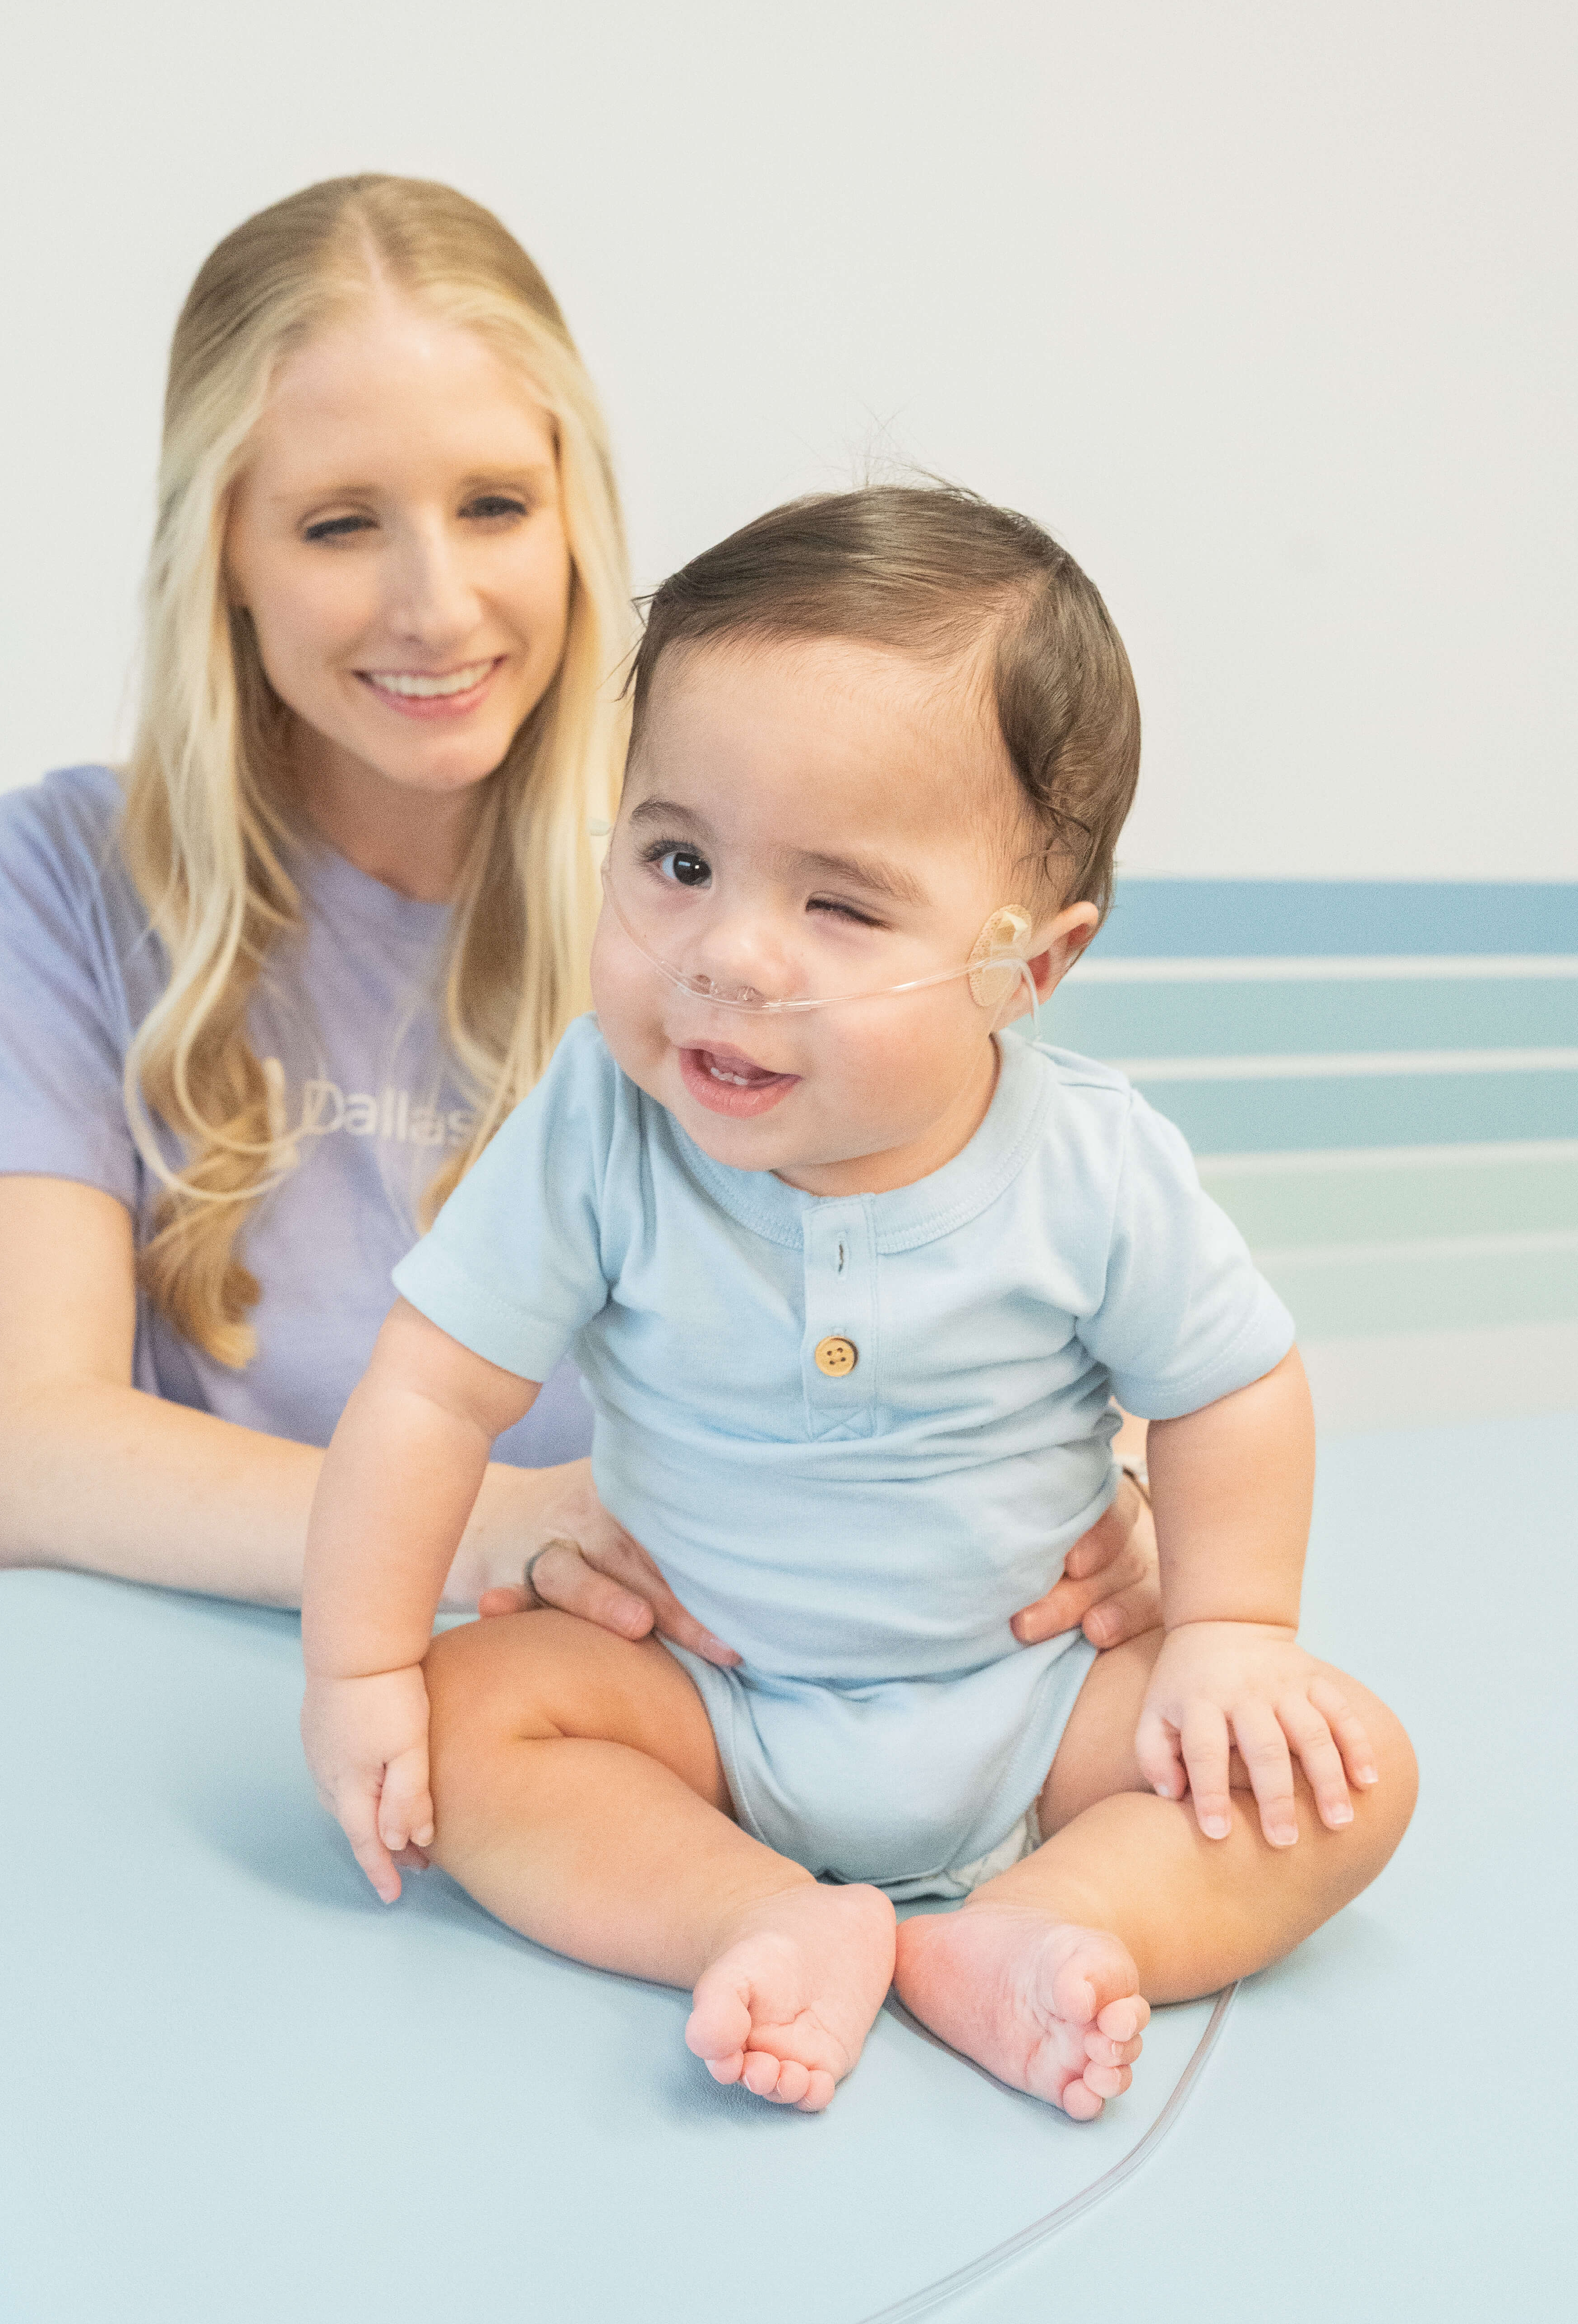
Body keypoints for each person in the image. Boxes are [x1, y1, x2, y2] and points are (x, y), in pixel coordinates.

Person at [0, 177, 1158, 1649]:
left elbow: (982, 1283)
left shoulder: (699, 897)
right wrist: (481, 1519)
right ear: (223, 549)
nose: (435, 605)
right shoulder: (56, 879)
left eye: (493, 506)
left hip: (658, 1713)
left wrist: (1107, 1493)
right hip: (216, 1697)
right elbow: (36, 1462)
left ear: (572, 514)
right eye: (338, 524)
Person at [300, 481, 1419, 2119]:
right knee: (469, 1731)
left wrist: (1233, 1635)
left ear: (1025, 969)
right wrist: (358, 1670)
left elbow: (1233, 1383)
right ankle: (750, 1912)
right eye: (676, 858)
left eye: (835, 902)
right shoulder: (601, 1127)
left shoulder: (1090, 1164)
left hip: (1031, 1707)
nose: (727, 955)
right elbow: (426, 1392)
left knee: (1347, 1770)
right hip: (705, 1694)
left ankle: (1040, 1921)